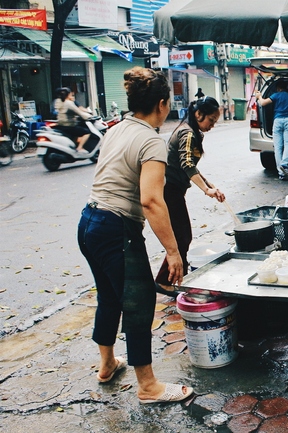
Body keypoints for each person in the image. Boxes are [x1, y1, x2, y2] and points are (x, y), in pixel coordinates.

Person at [77, 67, 193, 404]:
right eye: (168, 102)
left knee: (110, 297)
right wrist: (173, 251)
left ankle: (107, 364)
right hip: (116, 229)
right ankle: (148, 386)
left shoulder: (117, 129)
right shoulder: (151, 141)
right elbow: (151, 201)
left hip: (88, 223)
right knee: (139, 303)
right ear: (160, 104)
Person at [155, 97, 225, 295]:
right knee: (182, 236)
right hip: (170, 189)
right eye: (210, 120)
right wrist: (205, 189)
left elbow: (191, 166)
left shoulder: (191, 131)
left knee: (181, 235)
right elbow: (187, 164)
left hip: (174, 189)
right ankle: (165, 281)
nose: (211, 125)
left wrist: (210, 185)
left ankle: (172, 279)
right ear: (198, 114)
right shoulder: (187, 133)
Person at [255, 80, 288, 180]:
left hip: (277, 121)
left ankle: (281, 172)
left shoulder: (276, 95)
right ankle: (284, 164)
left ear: (278, 88)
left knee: (278, 147)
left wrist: (259, 96)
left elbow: (263, 103)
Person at [54, 87, 93, 153]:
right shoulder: (68, 103)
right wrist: (90, 117)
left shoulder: (58, 101)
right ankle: (79, 148)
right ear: (68, 94)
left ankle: (74, 147)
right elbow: (79, 112)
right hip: (69, 125)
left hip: (61, 124)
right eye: (71, 94)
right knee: (87, 132)